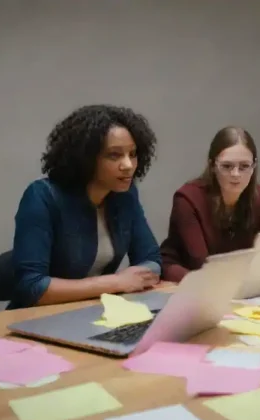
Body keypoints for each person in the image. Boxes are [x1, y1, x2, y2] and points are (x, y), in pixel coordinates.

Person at [10, 105, 162, 309]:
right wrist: (116, 283)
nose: (128, 165)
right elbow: (31, 287)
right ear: (86, 159)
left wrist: (134, 278)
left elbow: (151, 260)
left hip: (94, 311)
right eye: (114, 155)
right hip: (37, 317)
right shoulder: (43, 196)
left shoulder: (125, 195)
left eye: (133, 154)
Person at [159, 126, 260, 282]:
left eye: (244, 166)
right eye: (226, 166)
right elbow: (201, 264)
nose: (236, 174)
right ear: (212, 166)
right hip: (185, 275)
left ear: (254, 166)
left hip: (231, 277)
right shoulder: (188, 199)